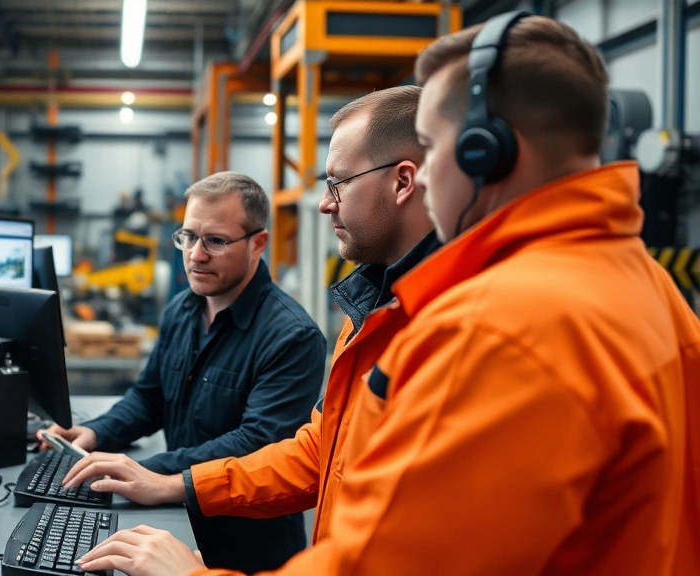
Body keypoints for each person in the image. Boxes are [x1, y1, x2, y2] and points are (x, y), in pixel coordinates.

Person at [70, 13, 700, 576]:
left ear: (483, 154)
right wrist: (182, 484)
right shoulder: (654, 292)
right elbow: (330, 449)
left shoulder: (505, 327)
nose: (425, 175)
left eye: (433, 147)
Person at [64, 85, 444, 575]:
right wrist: (169, 478)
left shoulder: (437, 328)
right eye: (189, 238)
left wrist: (182, 529)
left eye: (337, 183)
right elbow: (319, 450)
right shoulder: (368, 309)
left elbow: (399, 543)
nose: (326, 206)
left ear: (404, 181)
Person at [40, 171, 327, 573]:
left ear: (258, 243)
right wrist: (97, 432)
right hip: (173, 518)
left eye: (216, 240)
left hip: (247, 548)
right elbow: (149, 395)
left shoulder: (292, 337)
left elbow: (257, 444)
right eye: (188, 236)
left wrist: (150, 473)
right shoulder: (182, 309)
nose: (195, 254)